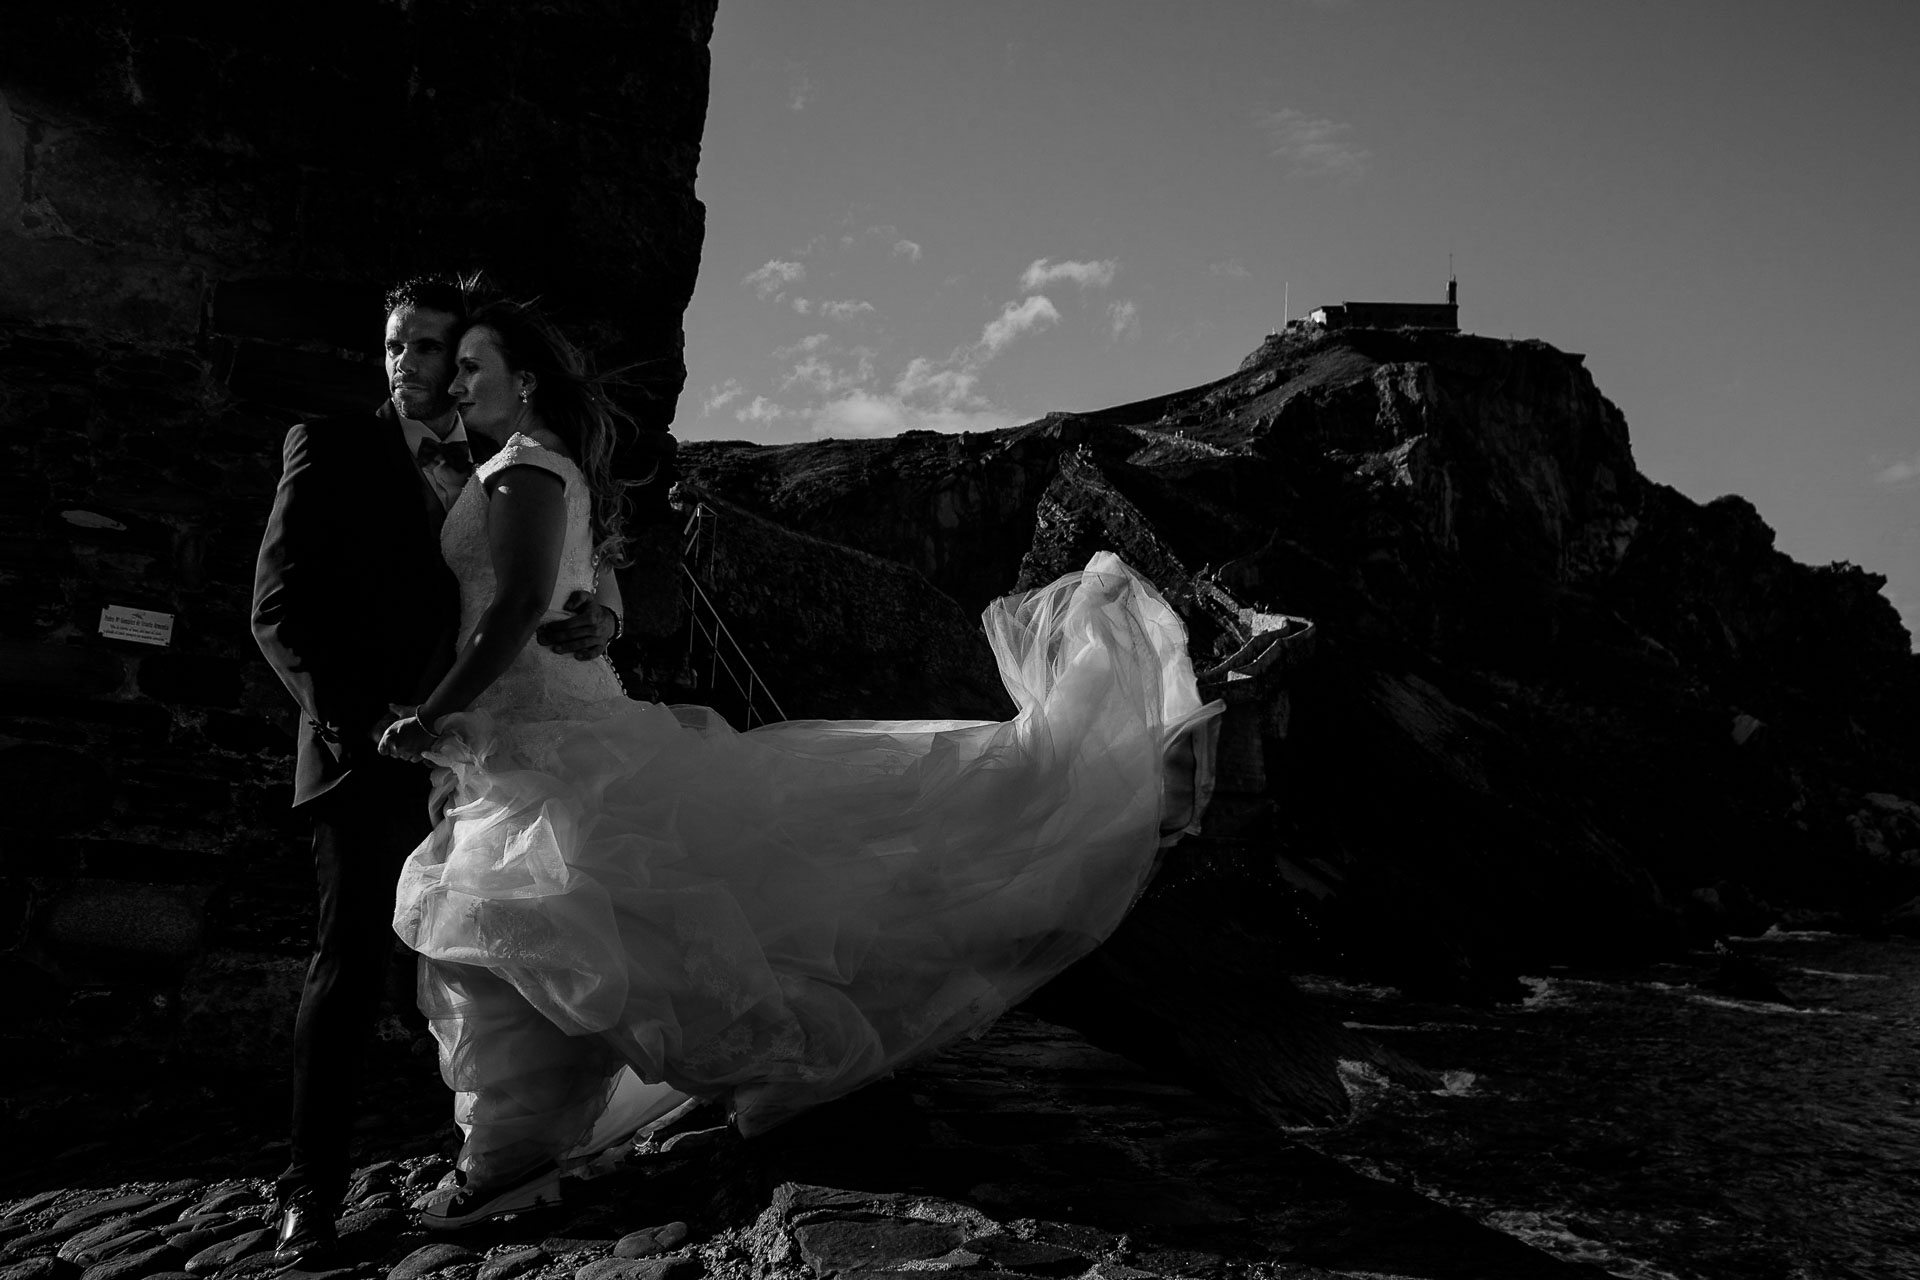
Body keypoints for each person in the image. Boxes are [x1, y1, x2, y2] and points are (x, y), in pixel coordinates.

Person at [380, 299, 1224, 1229]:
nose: (453, 382)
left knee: (524, 926)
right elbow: (583, 585)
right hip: (533, 725)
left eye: (470, 365)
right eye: (442, 364)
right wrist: (603, 620)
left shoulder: (521, 470)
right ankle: (522, 1146)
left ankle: (511, 1154)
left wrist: (431, 711)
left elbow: (519, 605)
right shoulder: (529, 467)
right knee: (555, 928)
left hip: (541, 728)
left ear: (524, 380)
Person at [249, 277, 621, 1267]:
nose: (410, 366)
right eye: (395, 346)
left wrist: (606, 614)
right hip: (370, 753)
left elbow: (561, 569)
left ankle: (503, 1144)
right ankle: (310, 1190)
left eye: (431, 349)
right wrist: (354, 722)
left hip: (489, 750)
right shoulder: (326, 444)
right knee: (349, 963)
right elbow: (277, 611)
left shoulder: (503, 459)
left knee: (501, 946)